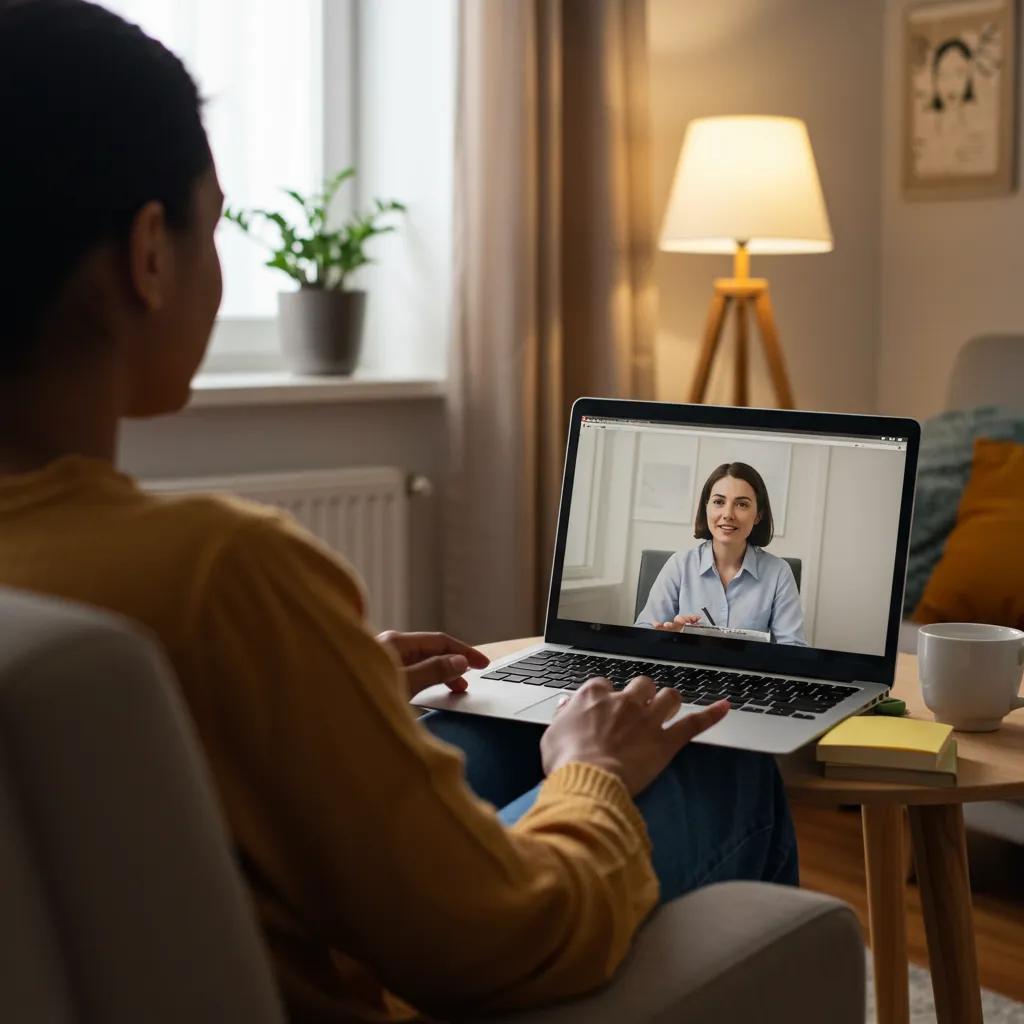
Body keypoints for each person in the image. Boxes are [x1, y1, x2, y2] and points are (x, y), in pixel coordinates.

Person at [0, 3, 798, 1020]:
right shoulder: (217, 573)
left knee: (499, 732)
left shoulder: (130, 589)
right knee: (713, 752)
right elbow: (504, 934)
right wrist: (591, 777)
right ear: (149, 253)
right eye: (219, 223)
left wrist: (324, 686)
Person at [636, 461, 807, 645]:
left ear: (758, 515)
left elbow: (793, 649)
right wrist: (670, 637)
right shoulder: (679, 564)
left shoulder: (779, 573)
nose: (728, 514)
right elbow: (642, 633)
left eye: (741, 504)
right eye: (719, 502)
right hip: (684, 669)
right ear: (707, 507)